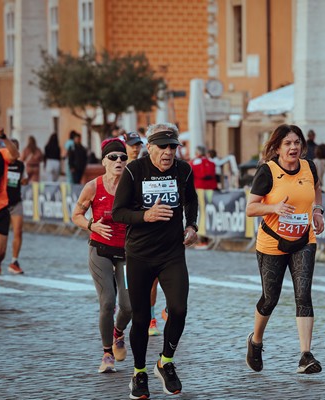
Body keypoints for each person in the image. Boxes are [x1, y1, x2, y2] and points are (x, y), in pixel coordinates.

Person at [112, 122, 199, 398]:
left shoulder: (183, 170)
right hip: (139, 255)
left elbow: (192, 200)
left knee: (179, 309)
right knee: (140, 318)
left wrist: (192, 225)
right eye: (163, 146)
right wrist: (145, 216)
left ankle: (165, 361)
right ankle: (139, 373)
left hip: (172, 253)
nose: (169, 152)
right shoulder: (134, 171)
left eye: (173, 147)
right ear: (149, 147)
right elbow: (118, 212)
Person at [245, 124, 325, 375]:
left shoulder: (309, 167)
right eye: (288, 143)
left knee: (304, 294)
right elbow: (250, 209)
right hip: (271, 242)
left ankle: (305, 355)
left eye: (297, 142)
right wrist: (274, 208)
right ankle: (256, 341)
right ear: (278, 147)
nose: (293, 147)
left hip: (304, 239)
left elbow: (317, 190)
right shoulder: (267, 171)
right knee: (270, 299)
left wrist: (317, 211)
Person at [71, 138, 132, 373]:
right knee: (107, 302)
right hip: (101, 251)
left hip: (126, 254)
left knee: (128, 306)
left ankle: (118, 333)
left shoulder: (133, 186)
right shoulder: (93, 186)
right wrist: (90, 225)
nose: (119, 161)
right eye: (113, 157)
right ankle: (107, 354)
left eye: (123, 157)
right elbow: (76, 214)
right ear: (104, 161)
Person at [124, 130, 162, 336]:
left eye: (138, 144)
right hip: (126, 229)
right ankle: (124, 311)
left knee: (153, 279)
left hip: (149, 229)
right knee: (128, 282)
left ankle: (152, 317)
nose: (135, 147)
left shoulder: (147, 166)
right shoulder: (120, 167)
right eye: (132, 144)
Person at [0, 120, 20, 288]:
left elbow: (15, 155)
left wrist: (4, 136)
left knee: (0, 253)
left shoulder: (1, 154)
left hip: (1, 209)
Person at [5, 139, 27, 274]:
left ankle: (14, 261)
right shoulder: (1, 163)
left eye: (16, 149)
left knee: (18, 231)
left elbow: (24, 180)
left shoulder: (20, 165)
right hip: (0, 203)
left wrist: (24, 180)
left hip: (16, 202)